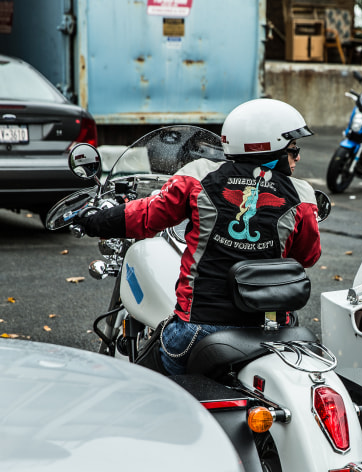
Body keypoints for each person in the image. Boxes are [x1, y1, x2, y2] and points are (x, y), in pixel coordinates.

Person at [77, 98, 322, 374]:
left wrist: (94, 220)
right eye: (293, 149)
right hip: (274, 330)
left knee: (145, 379)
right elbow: (308, 256)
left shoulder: (198, 176)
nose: (297, 157)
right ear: (267, 147)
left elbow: (147, 216)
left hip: (199, 330)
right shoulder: (302, 196)